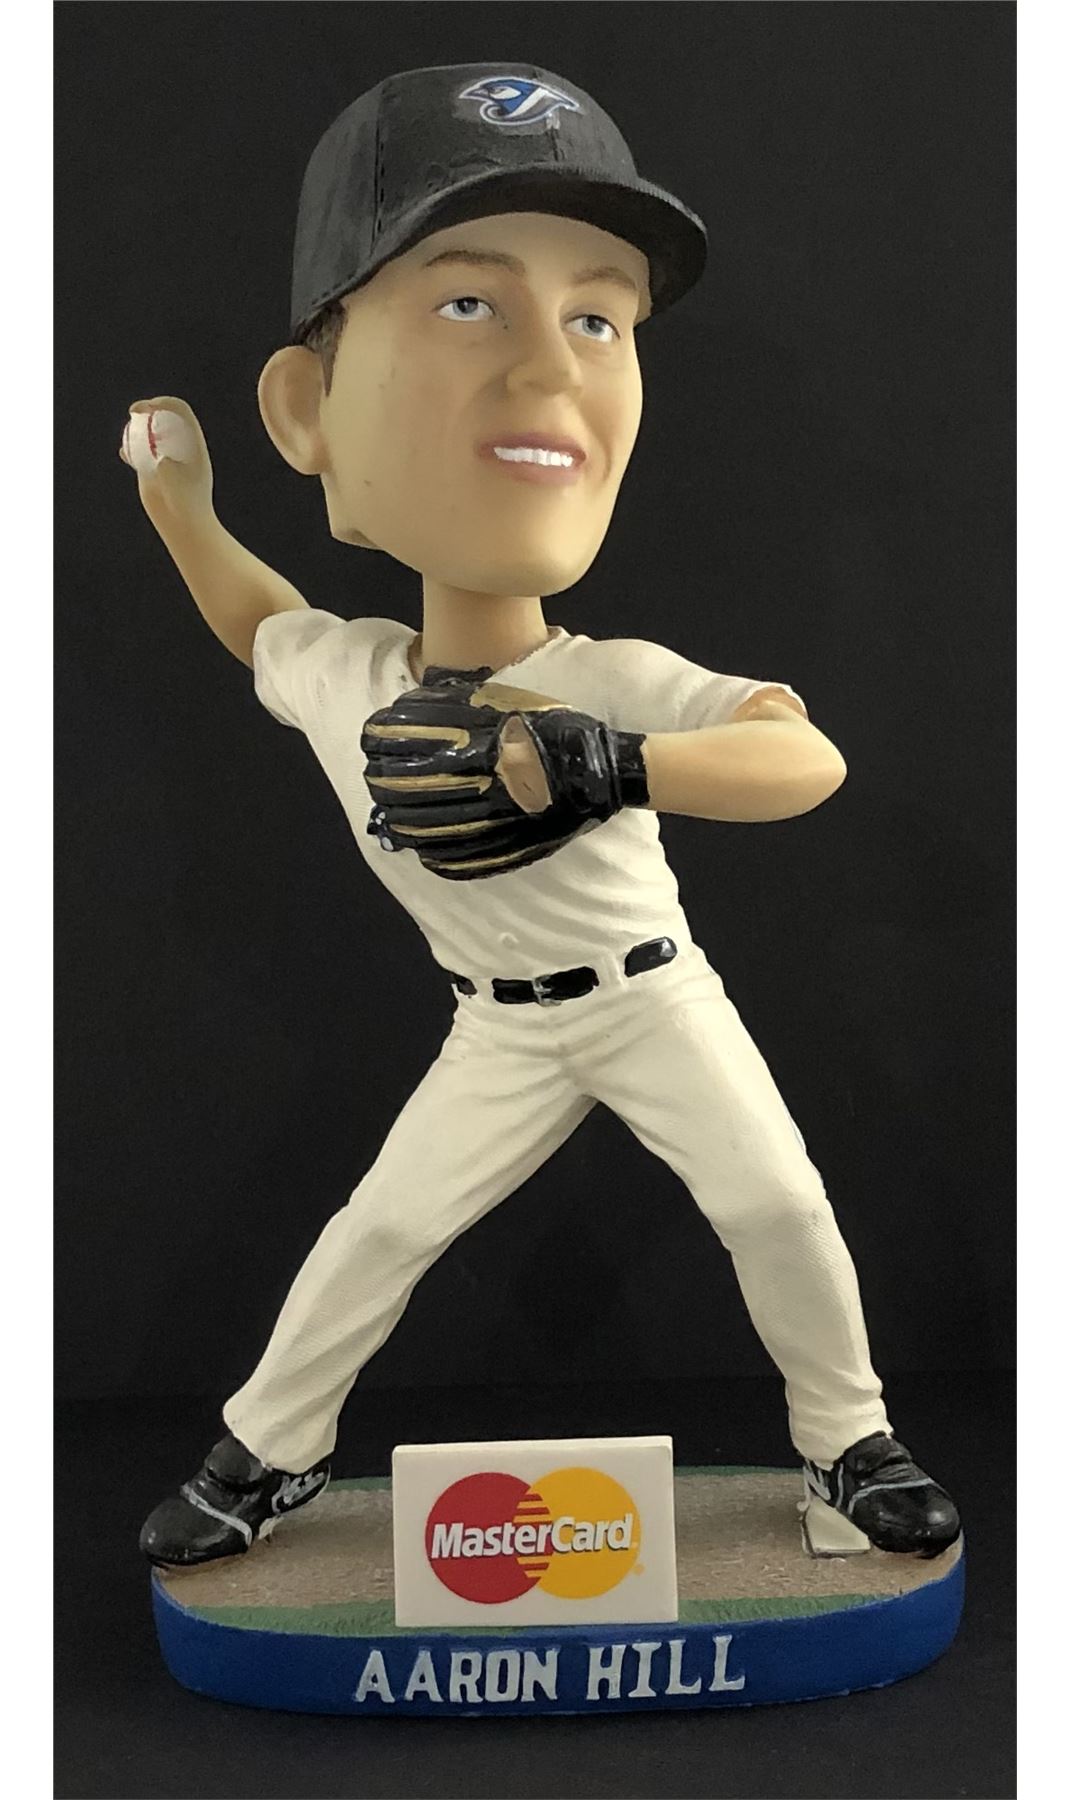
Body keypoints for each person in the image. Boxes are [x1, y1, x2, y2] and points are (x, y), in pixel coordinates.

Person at [127, 65, 960, 1568]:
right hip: (498, 1027)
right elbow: (261, 624)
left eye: (599, 321)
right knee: (383, 1232)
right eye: (469, 304)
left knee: (777, 1203)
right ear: (309, 409)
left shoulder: (609, 676)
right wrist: (181, 508)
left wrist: (610, 764)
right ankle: (267, 1455)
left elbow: (802, 759)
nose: (549, 370)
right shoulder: (352, 677)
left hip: (652, 999)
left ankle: (853, 1448)